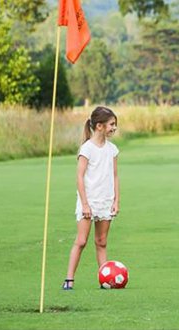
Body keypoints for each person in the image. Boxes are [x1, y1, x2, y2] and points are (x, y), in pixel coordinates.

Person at [62, 106, 120, 290]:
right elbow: (79, 176)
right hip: (89, 202)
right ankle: (69, 279)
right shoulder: (87, 148)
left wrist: (116, 200)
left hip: (105, 201)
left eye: (115, 124)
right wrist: (85, 204)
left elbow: (115, 176)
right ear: (99, 126)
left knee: (101, 242)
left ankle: (106, 279)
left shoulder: (112, 149)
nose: (114, 128)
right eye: (112, 124)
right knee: (81, 241)